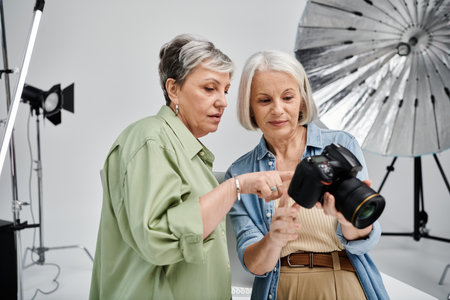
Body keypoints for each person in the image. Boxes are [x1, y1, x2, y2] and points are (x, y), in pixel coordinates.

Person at [89, 35, 293, 300]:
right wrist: (236, 186)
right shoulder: (150, 139)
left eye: (226, 90)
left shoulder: (190, 156)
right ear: (173, 89)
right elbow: (157, 236)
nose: (223, 101)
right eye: (210, 88)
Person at [225, 50, 389, 300]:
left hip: (344, 281)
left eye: (288, 97)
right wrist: (273, 239)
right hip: (281, 289)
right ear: (250, 108)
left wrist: (347, 222)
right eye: (265, 100)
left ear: (302, 100)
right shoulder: (241, 174)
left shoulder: (339, 146)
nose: (278, 110)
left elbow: (366, 241)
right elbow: (255, 266)